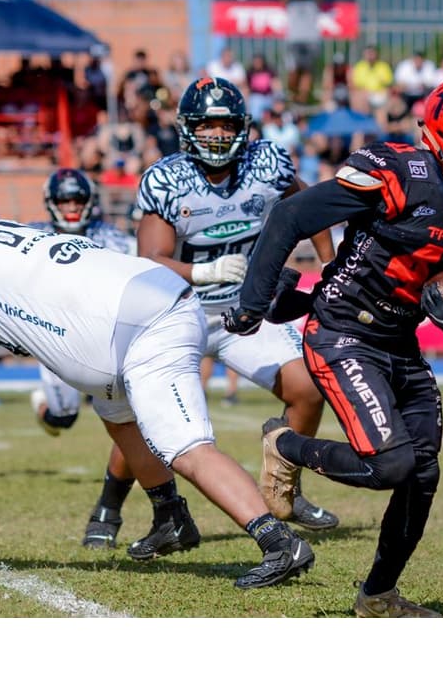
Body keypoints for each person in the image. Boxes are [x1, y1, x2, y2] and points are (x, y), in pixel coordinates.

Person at [0, 195, 315, 590]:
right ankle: (170, 516)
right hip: (144, 303)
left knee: (187, 448)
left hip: (142, 325)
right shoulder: (11, 242)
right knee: (117, 413)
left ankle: (278, 543)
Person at [225, 74, 443, 617]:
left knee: (423, 473)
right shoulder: (399, 171)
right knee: (389, 466)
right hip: (342, 329)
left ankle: (378, 596)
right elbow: (291, 216)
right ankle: (285, 445)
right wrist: (252, 301)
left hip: (400, 341)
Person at [96, 75, 339, 546]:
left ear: (242, 128)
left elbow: (312, 206)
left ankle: (283, 488)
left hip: (243, 313)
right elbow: (150, 259)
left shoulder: (266, 164)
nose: (217, 135)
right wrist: (205, 272)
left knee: (309, 389)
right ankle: (109, 504)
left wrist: (329, 264)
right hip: (177, 313)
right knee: (149, 419)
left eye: (226, 126)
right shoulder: (168, 179)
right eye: (206, 125)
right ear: (188, 128)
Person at [27, 168, 136, 439]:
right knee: (63, 418)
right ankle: (42, 403)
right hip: (55, 333)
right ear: (52, 202)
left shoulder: (111, 237)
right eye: (65, 201)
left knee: (131, 405)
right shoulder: (32, 237)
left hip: (102, 330)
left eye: (77, 200)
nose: (72, 207)